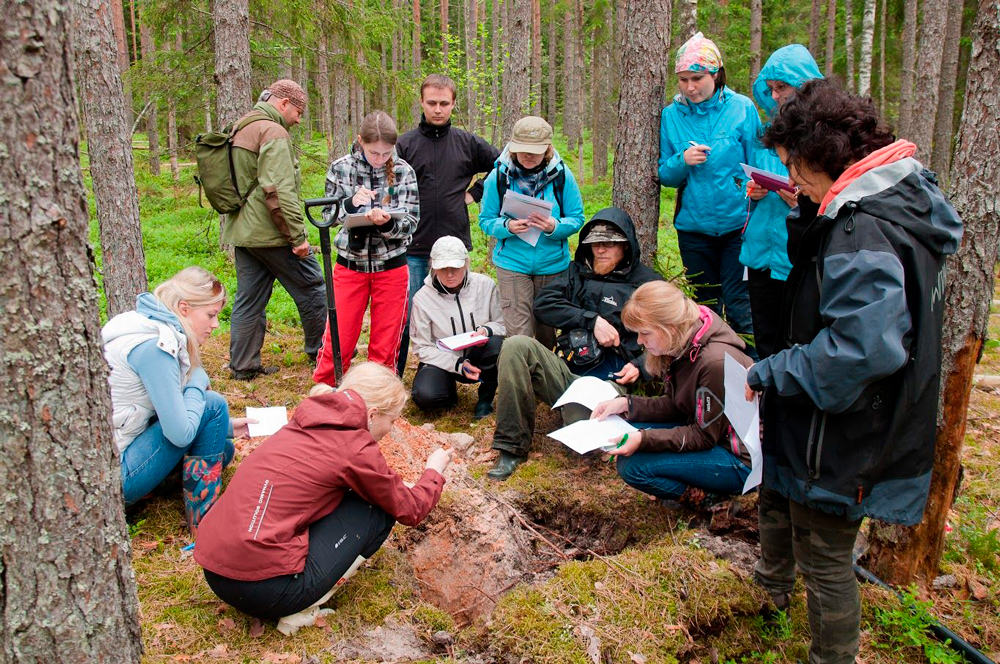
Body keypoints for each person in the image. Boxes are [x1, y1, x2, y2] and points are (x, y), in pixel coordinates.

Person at [745, 80, 962, 664]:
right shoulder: (892, 205)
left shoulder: (862, 224)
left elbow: (863, 349)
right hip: (862, 420)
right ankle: (769, 603)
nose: (791, 179)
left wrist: (775, 370)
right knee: (797, 521)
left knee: (825, 561)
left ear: (822, 155)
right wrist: (808, 214)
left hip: (846, 430)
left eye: (795, 167)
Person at [195, 363, 453, 635]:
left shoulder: (308, 418)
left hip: (216, 571)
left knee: (352, 494)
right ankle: (301, 610)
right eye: (392, 420)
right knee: (378, 508)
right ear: (373, 415)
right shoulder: (354, 446)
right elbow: (410, 509)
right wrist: (433, 472)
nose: (391, 429)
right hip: (265, 591)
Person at [487, 207, 663, 480]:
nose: (601, 251)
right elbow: (543, 304)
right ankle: (511, 446)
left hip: (611, 381)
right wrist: (590, 320)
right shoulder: (576, 273)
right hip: (568, 372)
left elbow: (672, 334)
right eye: (594, 245)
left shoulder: (647, 284)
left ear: (625, 246)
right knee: (515, 345)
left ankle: (586, 418)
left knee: (579, 423)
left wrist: (641, 365)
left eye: (609, 244)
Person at [103, 267, 252, 534]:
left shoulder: (143, 326)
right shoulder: (155, 348)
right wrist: (196, 380)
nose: (215, 324)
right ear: (184, 308)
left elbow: (164, 410)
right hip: (112, 479)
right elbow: (180, 433)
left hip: (112, 458)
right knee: (212, 403)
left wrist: (228, 428)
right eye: (211, 315)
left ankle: (155, 492)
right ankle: (204, 527)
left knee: (223, 450)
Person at [590, 281, 753, 509]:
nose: (639, 342)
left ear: (670, 328)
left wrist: (644, 440)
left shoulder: (714, 362)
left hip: (738, 460)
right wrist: (627, 405)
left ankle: (713, 502)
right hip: (708, 434)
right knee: (628, 423)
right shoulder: (684, 342)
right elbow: (677, 405)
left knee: (633, 467)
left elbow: (704, 436)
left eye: (645, 333)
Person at [658, 33, 761, 345]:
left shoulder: (742, 108)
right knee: (704, 307)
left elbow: (757, 162)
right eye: (683, 79)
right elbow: (665, 175)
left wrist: (757, 187)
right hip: (694, 228)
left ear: (716, 74)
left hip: (738, 226)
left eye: (698, 78)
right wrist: (682, 160)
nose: (690, 87)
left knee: (741, 303)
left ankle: (752, 375)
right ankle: (707, 371)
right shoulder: (671, 116)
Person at [395, 74, 501, 375]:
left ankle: (464, 367)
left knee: (461, 311)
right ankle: (397, 375)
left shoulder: (467, 143)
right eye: (432, 103)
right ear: (421, 102)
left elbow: (503, 165)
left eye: (444, 103)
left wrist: (476, 193)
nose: (437, 109)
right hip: (415, 245)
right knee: (409, 315)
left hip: (455, 246)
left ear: (453, 104)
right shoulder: (405, 145)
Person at [223, 79, 328, 380]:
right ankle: (321, 352)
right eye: (298, 111)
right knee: (312, 285)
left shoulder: (242, 125)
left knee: (249, 298)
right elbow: (279, 191)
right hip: (271, 232)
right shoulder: (273, 132)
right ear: (283, 104)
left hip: (244, 231)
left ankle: (243, 366)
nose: (299, 119)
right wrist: (297, 238)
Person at [313, 111, 419, 385]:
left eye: (386, 153)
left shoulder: (404, 171)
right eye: (374, 152)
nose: (380, 159)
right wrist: (349, 205)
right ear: (360, 141)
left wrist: (386, 225)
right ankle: (325, 398)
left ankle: (380, 403)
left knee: (385, 347)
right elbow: (325, 215)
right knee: (339, 338)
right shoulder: (341, 168)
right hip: (350, 265)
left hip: (392, 267)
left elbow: (411, 222)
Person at [740, 45, 822, 359]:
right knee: (766, 341)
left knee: (800, 344)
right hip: (760, 254)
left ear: (805, 87)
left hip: (799, 258)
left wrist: (804, 204)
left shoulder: (823, 138)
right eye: (771, 89)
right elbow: (746, 182)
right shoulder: (766, 134)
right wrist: (752, 190)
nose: (775, 96)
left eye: (783, 87)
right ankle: (764, 405)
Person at [478, 116, 585, 350]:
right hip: (512, 264)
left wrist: (553, 227)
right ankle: (522, 383)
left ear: (547, 148)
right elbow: (485, 220)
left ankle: (546, 383)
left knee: (547, 335)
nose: (528, 156)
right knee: (519, 337)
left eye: (535, 151)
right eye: (523, 150)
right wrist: (506, 227)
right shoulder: (498, 177)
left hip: (553, 265)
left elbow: (577, 218)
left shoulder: (562, 176)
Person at [409, 236, 506, 419]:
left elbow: (502, 324)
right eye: (443, 268)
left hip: (479, 353)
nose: (450, 274)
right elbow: (421, 346)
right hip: (444, 359)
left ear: (466, 263)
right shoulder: (422, 298)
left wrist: (486, 330)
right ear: (432, 266)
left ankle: (485, 399)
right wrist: (457, 365)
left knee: (497, 344)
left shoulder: (485, 285)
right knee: (425, 396)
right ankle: (447, 390)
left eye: (455, 267)